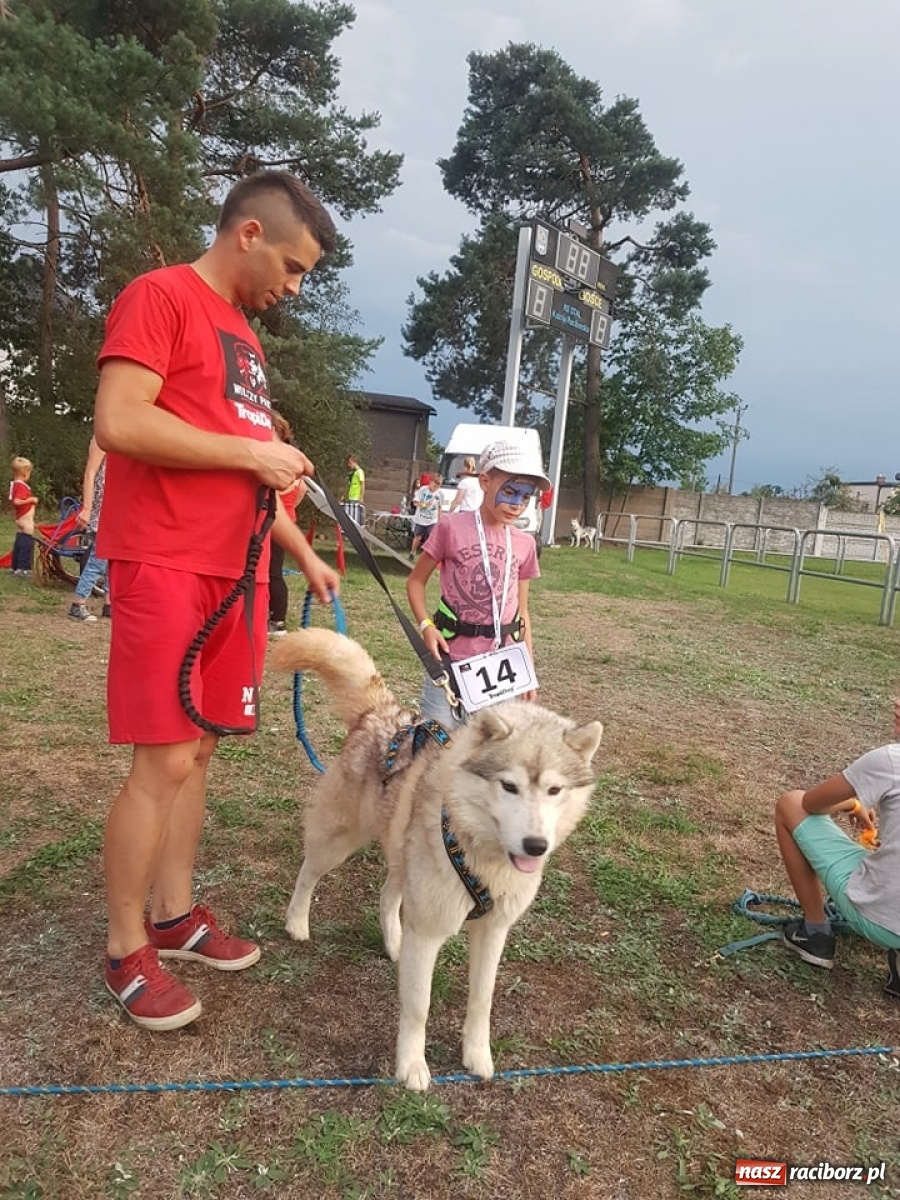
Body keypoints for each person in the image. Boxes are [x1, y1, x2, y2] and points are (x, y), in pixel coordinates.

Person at [93, 169, 341, 1031]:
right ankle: (128, 949)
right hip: (164, 562)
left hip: (234, 572)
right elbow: (121, 421)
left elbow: (246, 463)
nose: (294, 287)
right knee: (161, 760)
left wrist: (303, 551)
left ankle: (174, 913)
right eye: (296, 266)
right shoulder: (158, 297)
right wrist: (251, 456)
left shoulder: (247, 339)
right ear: (249, 235)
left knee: (199, 755)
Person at [406, 440, 550, 728]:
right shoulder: (450, 527)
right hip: (449, 661)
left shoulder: (525, 544)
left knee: (487, 754)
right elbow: (415, 582)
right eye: (509, 492)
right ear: (485, 481)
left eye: (525, 497)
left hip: (502, 669)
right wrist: (426, 626)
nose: (516, 504)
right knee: (436, 747)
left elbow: (522, 613)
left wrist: (528, 670)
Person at [774, 699, 900, 995]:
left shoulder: (891, 760)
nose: (896, 701)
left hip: (883, 920)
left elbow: (810, 804)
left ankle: (815, 933)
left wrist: (855, 804)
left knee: (789, 804)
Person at [268, 411, 307, 636]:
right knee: (273, 571)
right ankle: (274, 618)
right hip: (287, 519)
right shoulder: (294, 459)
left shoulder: (279, 460)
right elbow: (301, 489)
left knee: (272, 572)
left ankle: (278, 621)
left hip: (275, 522)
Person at [69, 436, 110, 623]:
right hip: (102, 507)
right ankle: (78, 603)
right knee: (99, 558)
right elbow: (90, 473)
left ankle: (109, 604)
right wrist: (86, 508)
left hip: (117, 505)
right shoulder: (102, 437)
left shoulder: (121, 432)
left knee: (113, 559)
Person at [8, 455, 37, 575]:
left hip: (21, 518)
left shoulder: (15, 484)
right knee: (27, 542)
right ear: (24, 473)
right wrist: (31, 500)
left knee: (20, 539)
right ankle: (23, 567)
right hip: (25, 519)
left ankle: (15, 565)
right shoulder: (20, 485)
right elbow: (17, 501)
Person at [408, 473, 442, 559]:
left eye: (438, 485)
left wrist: (439, 520)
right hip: (421, 518)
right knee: (417, 537)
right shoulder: (423, 490)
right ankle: (412, 553)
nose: (435, 487)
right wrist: (424, 505)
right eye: (434, 484)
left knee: (431, 538)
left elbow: (439, 507)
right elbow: (415, 503)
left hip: (432, 520)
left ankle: (428, 556)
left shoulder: (440, 494)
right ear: (430, 482)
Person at [341, 453, 365, 525]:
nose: (349, 465)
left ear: (354, 462)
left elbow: (362, 485)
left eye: (350, 463)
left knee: (354, 517)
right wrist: (343, 495)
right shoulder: (352, 473)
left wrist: (361, 497)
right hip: (350, 497)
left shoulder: (360, 472)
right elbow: (349, 486)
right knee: (349, 515)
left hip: (356, 498)